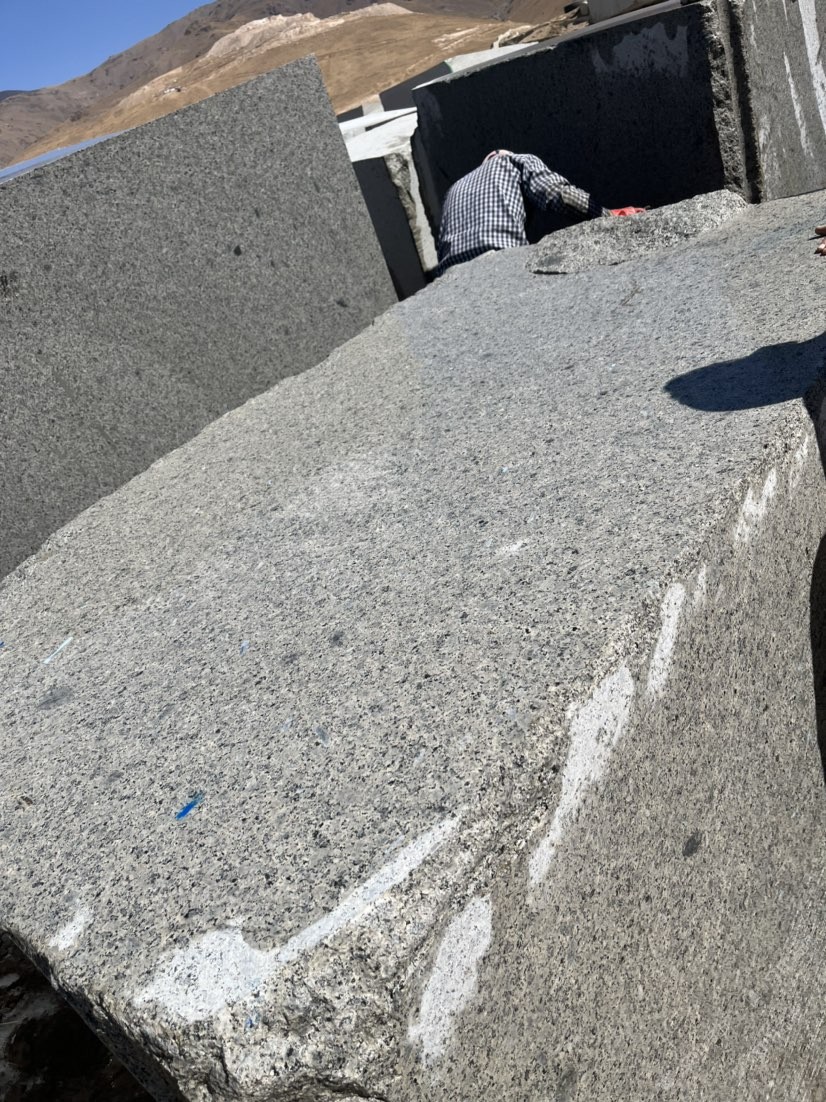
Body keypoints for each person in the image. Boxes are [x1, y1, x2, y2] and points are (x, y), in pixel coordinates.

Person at [436, 149, 644, 275]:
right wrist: (609, 217)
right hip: (498, 260)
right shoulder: (512, 162)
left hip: (451, 277)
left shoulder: (453, 189)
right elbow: (560, 196)